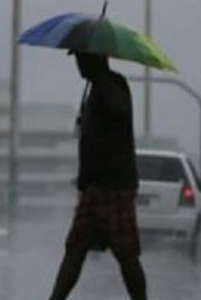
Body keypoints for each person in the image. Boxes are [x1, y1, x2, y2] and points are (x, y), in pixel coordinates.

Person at [47, 51, 147, 300]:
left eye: (81, 59)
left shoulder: (113, 84)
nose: (78, 65)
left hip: (113, 187)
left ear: (95, 60)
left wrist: (102, 80)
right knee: (75, 249)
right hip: (93, 188)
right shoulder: (92, 90)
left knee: (126, 254)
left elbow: (120, 108)